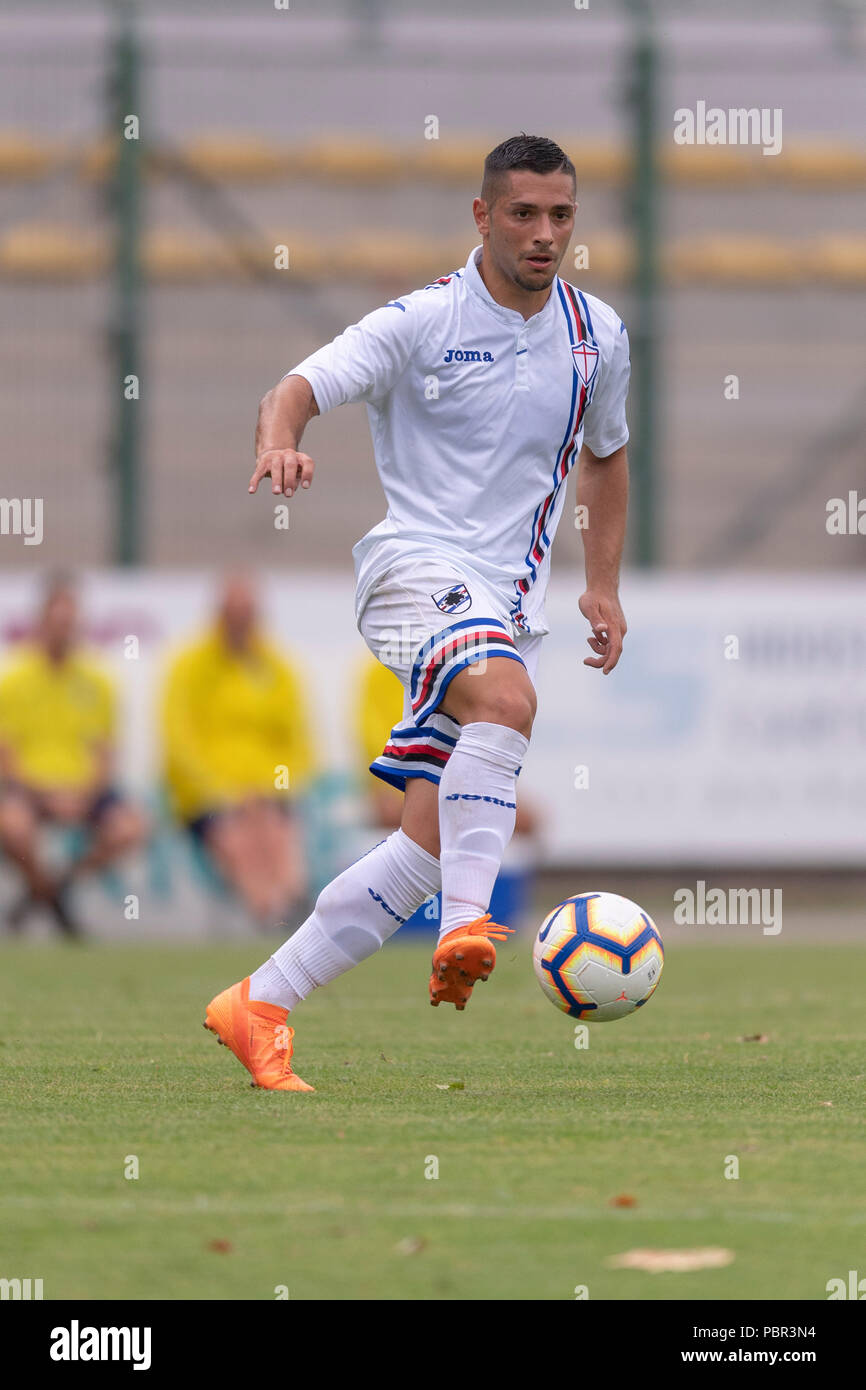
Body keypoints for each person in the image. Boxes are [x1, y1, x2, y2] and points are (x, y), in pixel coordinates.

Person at [205, 134, 630, 1092]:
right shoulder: (423, 319)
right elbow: (298, 388)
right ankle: (470, 923)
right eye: (523, 213)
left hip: (505, 601)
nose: (544, 233)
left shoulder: (596, 334)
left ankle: (259, 1004)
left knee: (426, 843)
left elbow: (606, 454)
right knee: (508, 704)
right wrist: (281, 442)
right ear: (483, 216)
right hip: (410, 571)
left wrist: (600, 583)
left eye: (560, 215)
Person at [162, 574, 315, 927]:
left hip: (266, 794)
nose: (240, 624)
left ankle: (291, 904)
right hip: (207, 798)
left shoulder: (279, 668)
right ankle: (272, 914)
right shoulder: (189, 667)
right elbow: (179, 743)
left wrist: (272, 787)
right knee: (236, 837)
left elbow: (299, 745)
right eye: (233, 614)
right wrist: (223, 790)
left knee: (277, 830)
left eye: (247, 614)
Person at [0, 576, 146, 937]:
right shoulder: (14, 681)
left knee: (131, 827)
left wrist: (82, 795)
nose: (63, 631)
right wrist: (47, 794)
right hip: (29, 790)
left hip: (84, 791)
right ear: (41, 623)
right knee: (13, 825)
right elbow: (7, 758)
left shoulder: (98, 682)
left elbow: (105, 757)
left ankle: (51, 890)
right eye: (56, 622)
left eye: (69, 623)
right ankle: (53, 899)